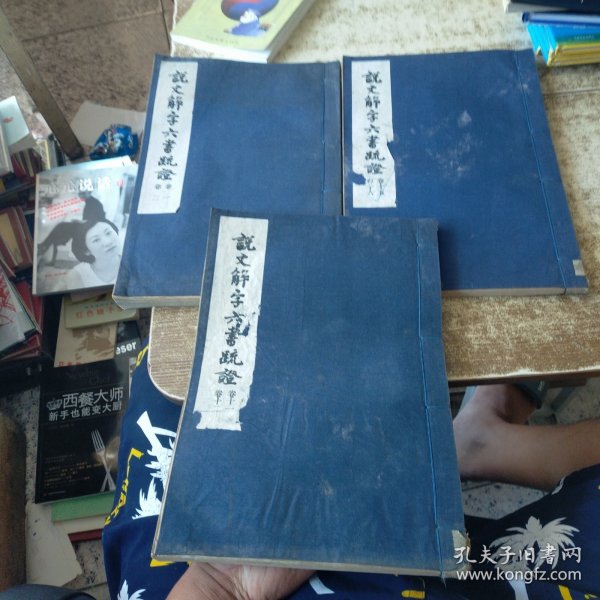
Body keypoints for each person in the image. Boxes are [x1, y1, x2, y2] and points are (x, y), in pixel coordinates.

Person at [103, 346, 600, 600]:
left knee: (167, 368)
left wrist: (220, 583)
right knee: (569, 543)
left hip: (208, 582)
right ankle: (468, 444)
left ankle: (454, 449)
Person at [66, 218, 122, 289]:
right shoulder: (77, 275)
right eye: (96, 240)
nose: (107, 242)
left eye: (108, 233)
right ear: (86, 251)